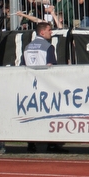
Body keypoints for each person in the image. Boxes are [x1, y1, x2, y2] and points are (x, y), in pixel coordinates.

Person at [22, 21, 67, 154]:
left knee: (31, 115)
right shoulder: (48, 46)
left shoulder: (27, 47)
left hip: (30, 84)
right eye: (49, 30)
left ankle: (31, 144)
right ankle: (52, 144)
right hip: (44, 85)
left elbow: (23, 66)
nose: (51, 32)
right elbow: (51, 66)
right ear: (42, 32)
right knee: (50, 113)